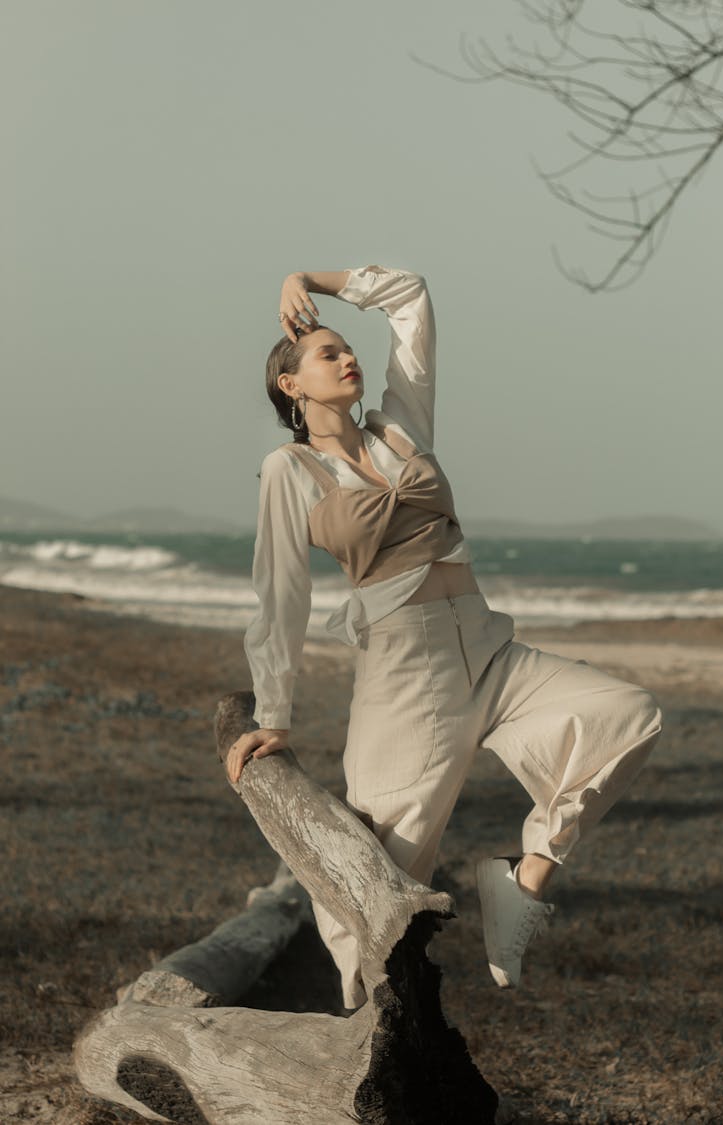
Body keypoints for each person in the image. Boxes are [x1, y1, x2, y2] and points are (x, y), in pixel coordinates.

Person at [226, 264, 663, 1011]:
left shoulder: (402, 427)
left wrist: (314, 279)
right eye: (326, 353)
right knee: (377, 876)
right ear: (291, 387)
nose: (346, 357)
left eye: (347, 349)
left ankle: (520, 881)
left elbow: (409, 296)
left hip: (490, 650)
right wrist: (273, 714)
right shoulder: (288, 470)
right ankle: (365, 1032)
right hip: (408, 676)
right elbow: (280, 595)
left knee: (627, 716)